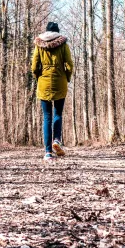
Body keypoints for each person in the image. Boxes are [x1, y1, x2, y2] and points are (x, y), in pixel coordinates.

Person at [31, 22, 74, 161]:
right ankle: (56, 139)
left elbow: (34, 66)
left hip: (44, 83)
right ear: (57, 32)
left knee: (47, 117)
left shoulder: (39, 45)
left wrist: (38, 77)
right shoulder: (63, 45)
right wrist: (67, 77)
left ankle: (48, 152)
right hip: (60, 82)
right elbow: (69, 64)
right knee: (58, 114)